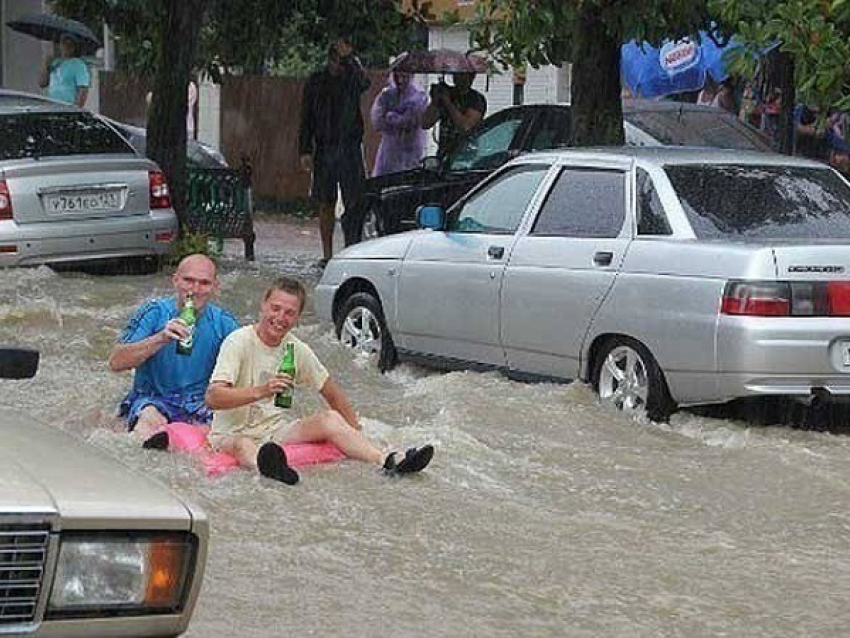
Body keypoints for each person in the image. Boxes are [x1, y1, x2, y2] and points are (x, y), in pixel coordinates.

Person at [205, 276, 434, 485]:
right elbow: (213, 397)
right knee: (243, 444)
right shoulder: (238, 342)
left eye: (289, 313)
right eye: (275, 309)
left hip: (275, 431)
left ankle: (388, 461)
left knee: (331, 418)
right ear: (263, 306)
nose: (280, 318)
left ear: (297, 317)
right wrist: (262, 390)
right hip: (231, 434)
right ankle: (267, 470)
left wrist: (354, 431)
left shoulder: (297, 349)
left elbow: (332, 392)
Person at [108, 254, 239, 445]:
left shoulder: (225, 324)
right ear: (175, 280)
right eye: (188, 280)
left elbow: (243, 375)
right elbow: (115, 362)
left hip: (199, 405)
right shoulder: (154, 312)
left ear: (215, 287)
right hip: (153, 399)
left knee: (212, 438)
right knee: (149, 419)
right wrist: (161, 338)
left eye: (204, 283)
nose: (195, 290)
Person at [298, 37, 371, 264]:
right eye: (336, 60)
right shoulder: (316, 81)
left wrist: (351, 59)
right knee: (325, 201)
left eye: (343, 61)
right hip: (325, 147)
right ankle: (327, 254)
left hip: (349, 147)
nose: (338, 66)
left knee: (354, 201)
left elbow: (364, 82)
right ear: (329, 59)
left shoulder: (352, 79)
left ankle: (352, 250)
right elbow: (306, 117)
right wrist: (304, 149)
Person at [370, 69, 428, 176]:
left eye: (404, 76)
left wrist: (391, 116)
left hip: (410, 150)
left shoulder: (419, 96)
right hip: (389, 151)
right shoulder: (386, 95)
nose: (400, 80)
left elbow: (411, 120)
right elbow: (377, 120)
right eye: (397, 76)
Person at [421, 71, 487, 159]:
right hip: (444, 154)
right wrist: (435, 101)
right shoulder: (448, 93)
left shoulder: (476, 99)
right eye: (456, 74)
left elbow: (465, 127)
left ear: (472, 77)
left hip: (465, 155)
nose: (458, 77)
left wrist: (448, 102)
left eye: (462, 74)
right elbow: (426, 123)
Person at [39, 32, 90, 107]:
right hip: (52, 106)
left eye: (70, 43)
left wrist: (76, 109)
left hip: (68, 107)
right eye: (64, 42)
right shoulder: (55, 62)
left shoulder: (79, 65)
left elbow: (83, 89)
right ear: (60, 45)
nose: (67, 46)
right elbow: (42, 83)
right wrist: (45, 65)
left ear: (74, 47)